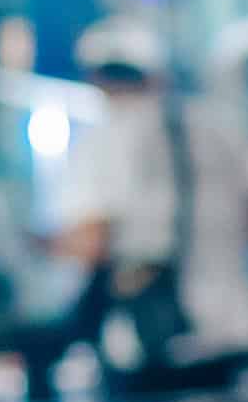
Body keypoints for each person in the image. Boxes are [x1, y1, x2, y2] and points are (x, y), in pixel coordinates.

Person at [51, 24, 187, 366]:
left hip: (143, 325)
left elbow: (93, 241)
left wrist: (37, 245)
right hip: (228, 317)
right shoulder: (204, 129)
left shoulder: (101, 142)